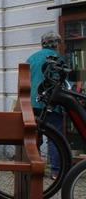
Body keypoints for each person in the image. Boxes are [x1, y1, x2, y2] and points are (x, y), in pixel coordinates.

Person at [26, 31, 65, 180]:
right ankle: (56, 171)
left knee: (34, 136)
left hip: (32, 103)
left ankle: (34, 167)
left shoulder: (31, 58)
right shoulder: (58, 58)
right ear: (56, 44)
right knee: (54, 137)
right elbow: (60, 82)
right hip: (51, 104)